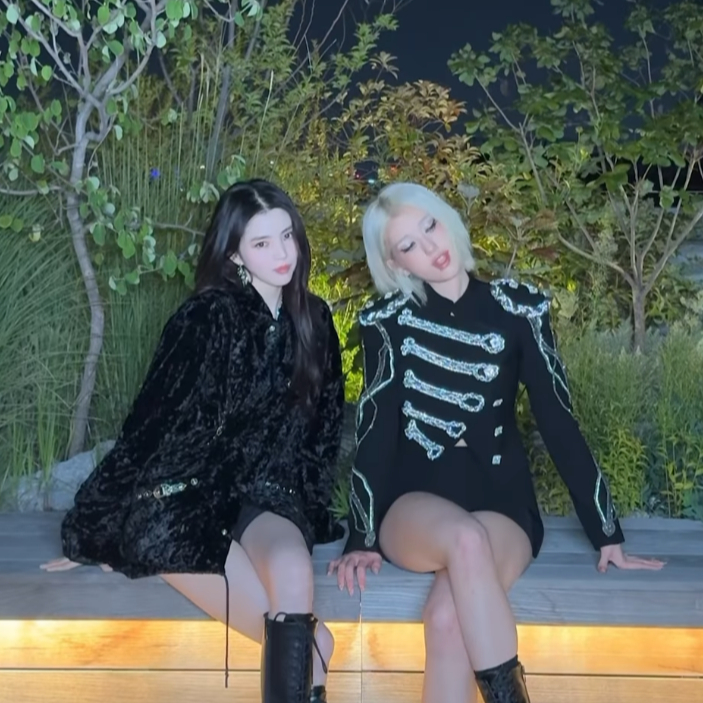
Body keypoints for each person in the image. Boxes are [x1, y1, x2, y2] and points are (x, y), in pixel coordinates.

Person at [328, 182, 665, 703]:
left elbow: (558, 420)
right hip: (414, 504)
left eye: (430, 225)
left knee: (446, 619)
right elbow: (375, 431)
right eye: (408, 245)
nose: (430, 246)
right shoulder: (387, 323)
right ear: (396, 264)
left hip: (502, 501)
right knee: (463, 540)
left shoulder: (519, 309)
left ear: (447, 220)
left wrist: (606, 533)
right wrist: (361, 537)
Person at [41, 179, 346, 703]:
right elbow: (147, 426)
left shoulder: (314, 320)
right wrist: (92, 528)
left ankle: (308, 656)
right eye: (262, 243)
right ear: (234, 254)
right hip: (186, 499)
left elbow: (323, 435)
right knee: (313, 643)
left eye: (287, 236)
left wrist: (311, 509)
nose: (282, 253)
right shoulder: (205, 318)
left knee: (294, 568)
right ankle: (309, 659)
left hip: (267, 494)